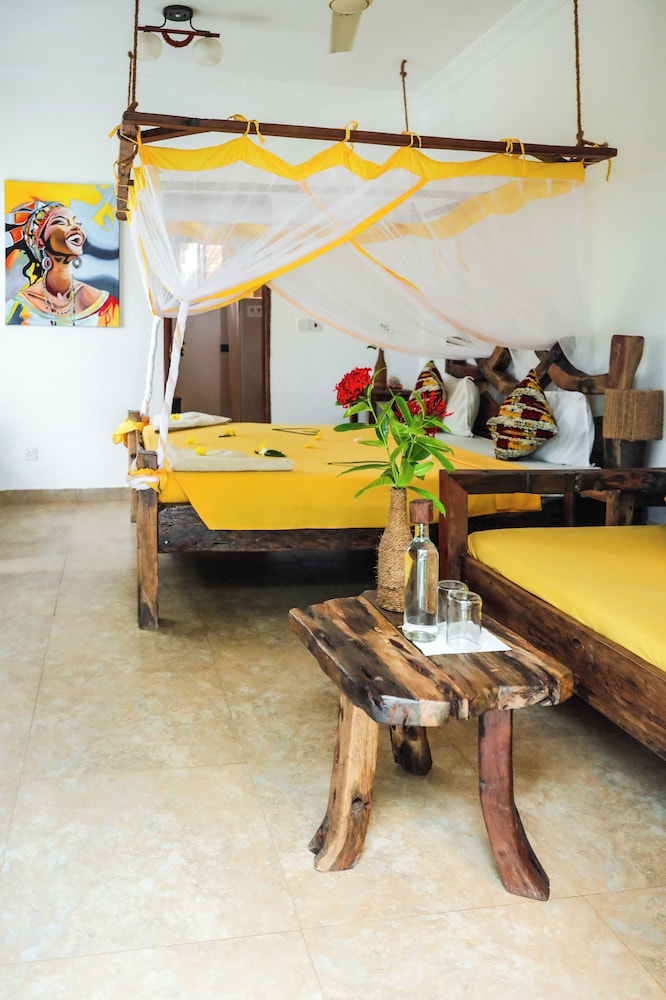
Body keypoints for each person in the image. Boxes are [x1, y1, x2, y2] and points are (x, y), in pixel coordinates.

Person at [5, 200, 119, 326]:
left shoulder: (106, 303)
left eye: (77, 223)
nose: (75, 227)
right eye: (60, 222)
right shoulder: (17, 307)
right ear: (40, 241)